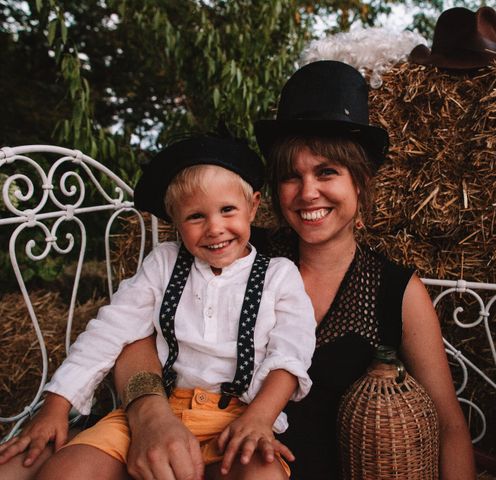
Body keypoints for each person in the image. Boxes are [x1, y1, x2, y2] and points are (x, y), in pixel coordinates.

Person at [108, 60, 477, 480]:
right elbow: (137, 334)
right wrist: (149, 413)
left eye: (327, 173)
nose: (307, 193)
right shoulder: (235, 250)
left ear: (360, 181)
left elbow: (448, 426)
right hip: (208, 462)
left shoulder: (395, 290)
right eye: (290, 176)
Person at [0, 135, 316, 480]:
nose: (214, 228)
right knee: (67, 471)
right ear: (175, 222)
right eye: (196, 216)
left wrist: (260, 417)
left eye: (227, 210)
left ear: (253, 206)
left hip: (236, 415)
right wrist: (56, 405)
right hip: (157, 407)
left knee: (263, 474)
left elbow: (290, 353)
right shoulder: (164, 264)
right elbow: (110, 331)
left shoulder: (278, 274)